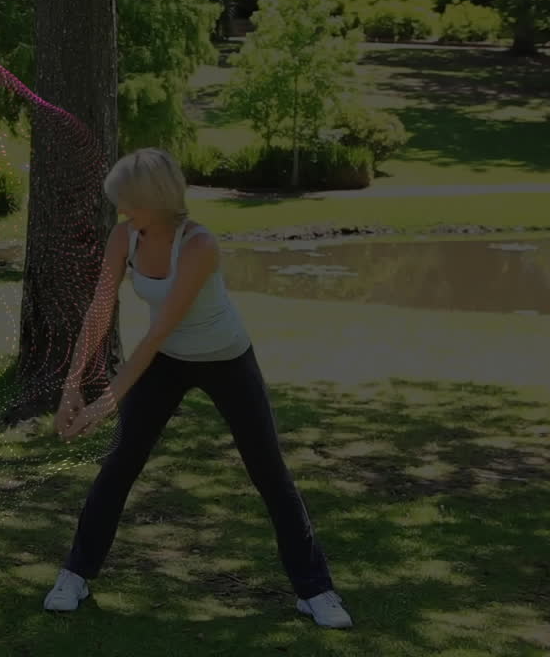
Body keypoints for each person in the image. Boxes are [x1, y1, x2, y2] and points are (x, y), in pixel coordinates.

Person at [41, 148, 352, 628]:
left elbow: (156, 333)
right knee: (121, 463)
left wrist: (105, 402)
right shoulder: (125, 235)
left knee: (269, 472)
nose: (122, 212)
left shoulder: (199, 244)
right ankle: (75, 574)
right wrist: (71, 385)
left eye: (130, 202)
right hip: (167, 363)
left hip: (226, 359)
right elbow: (101, 309)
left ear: (158, 200)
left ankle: (315, 590)